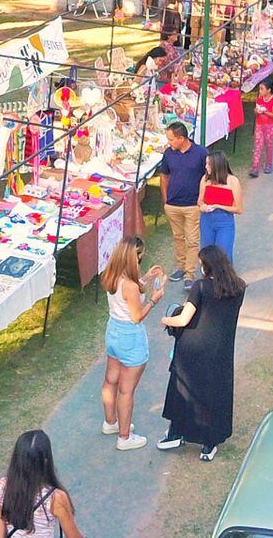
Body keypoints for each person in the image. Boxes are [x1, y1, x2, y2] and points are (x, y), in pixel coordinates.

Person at [157, 245, 247, 461]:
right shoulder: (240, 287)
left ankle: (176, 432)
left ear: (207, 266)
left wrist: (165, 319)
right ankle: (209, 444)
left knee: (183, 390)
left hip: (192, 349)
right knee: (214, 395)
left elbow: (184, 319)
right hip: (220, 352)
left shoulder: (201, 287)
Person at [100, 236, 164, 451]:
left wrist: (145, 278)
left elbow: (127, 295)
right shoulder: (130, 285)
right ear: (132, 257)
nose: (140, 261)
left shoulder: (111, 275)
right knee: (126, 391)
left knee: (111, 381)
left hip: (113, 332)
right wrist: (154, 299)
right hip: (130, 337)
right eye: (139, 257)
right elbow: (137, 316)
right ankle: (125, 437)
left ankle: (111, 423)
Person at [158, 122, 209, 282]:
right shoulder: (168, 153)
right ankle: (181, 267)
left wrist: (203, 199)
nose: (169, 143)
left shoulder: (201, 153)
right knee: (178, 237)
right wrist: (165, 200)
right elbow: (164, 176)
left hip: (193, 205)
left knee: (192, 240)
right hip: (173, 205)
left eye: (171, 139)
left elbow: (209, 176)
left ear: (181, 138)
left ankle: (190, 273)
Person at [197, 150, 243, 255]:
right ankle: (208, 271)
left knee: (223, 253)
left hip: (224, 222)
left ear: (217, 165)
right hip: (206, 221)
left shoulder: (233, 181)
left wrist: (218, 206)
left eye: (209, 164)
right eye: (206, 163)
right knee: (207, 253)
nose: (206, 167)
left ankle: (224, 272)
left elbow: (239, 209)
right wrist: (202, 205)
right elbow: (200, 200)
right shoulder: (205, 179)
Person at [249, 77, 273, 179]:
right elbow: (256, 111)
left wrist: (264, 111)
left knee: (269, 146)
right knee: (258, 146)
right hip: (259, 125)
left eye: (262, 89)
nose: (260, 91)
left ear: (269, 90)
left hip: (269, 126)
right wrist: (256, 111)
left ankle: (269, 164)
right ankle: (255, 167)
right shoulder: (259, 99)